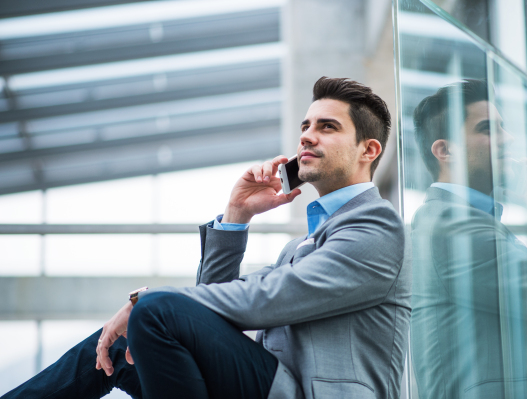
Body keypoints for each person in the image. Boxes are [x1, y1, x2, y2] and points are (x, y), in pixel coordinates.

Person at [3, 77, 411, 399]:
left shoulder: (376, 226)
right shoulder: (299, 246)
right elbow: (210, 309)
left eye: (327, 127)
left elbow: (270, 298)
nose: (306, 135)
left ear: (368, 149)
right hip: (273, 386)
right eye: (305, 125)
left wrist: (156, 300)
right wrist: (236, 216)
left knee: (157, 309)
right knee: (120, 342)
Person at [410, 79, 527, 398]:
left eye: (503, 127)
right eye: (487, 129)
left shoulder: (468, 220)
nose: (507, 139)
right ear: (445, 150)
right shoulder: (449, 225)